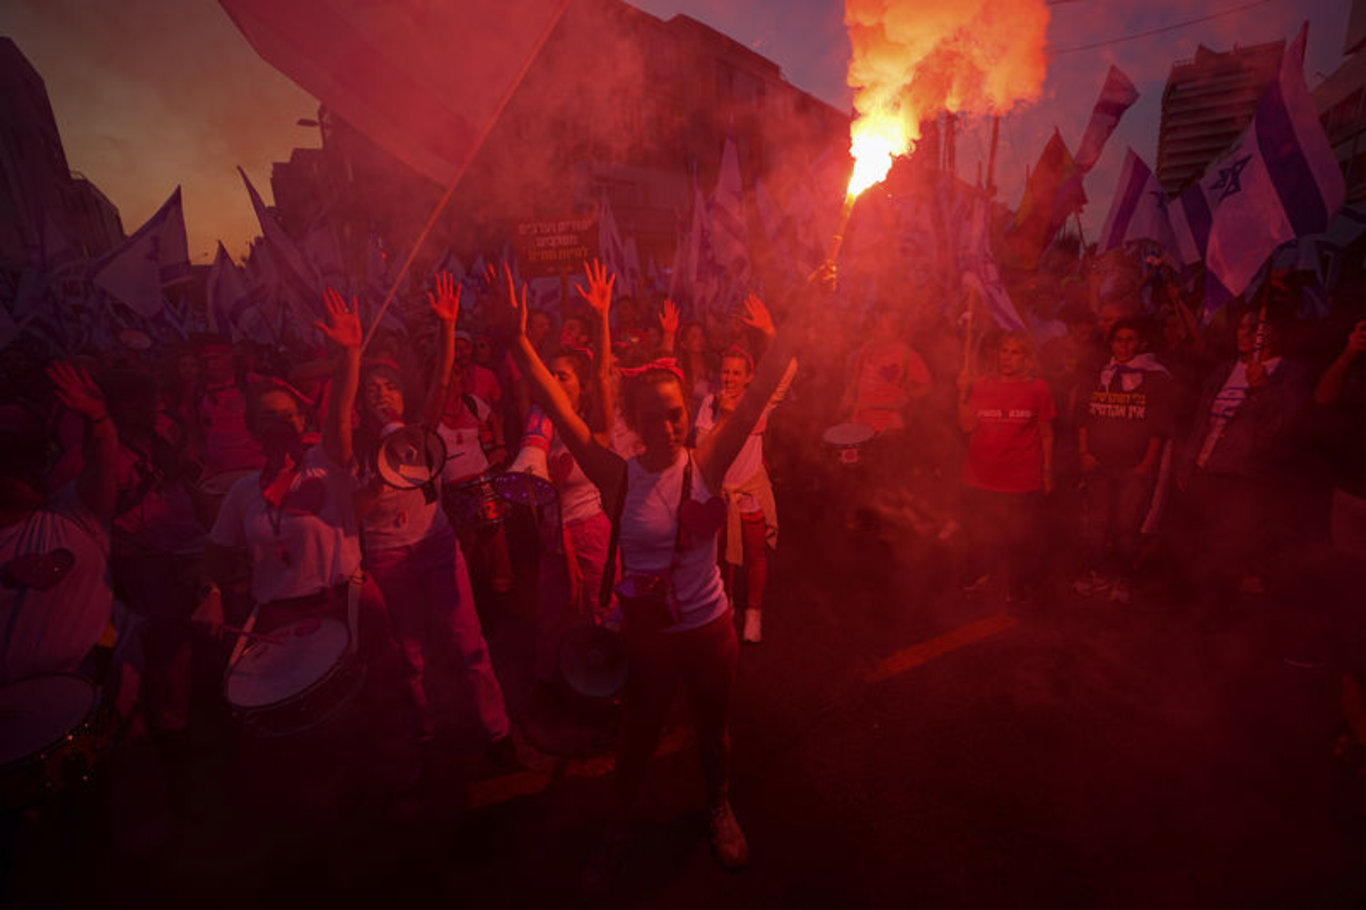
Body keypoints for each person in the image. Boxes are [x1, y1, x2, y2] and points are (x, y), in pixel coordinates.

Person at [497, 261, 816, 876]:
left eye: (675, 413)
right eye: (653, 417)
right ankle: (619, 827)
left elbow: (763, 386)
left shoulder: (707, 460)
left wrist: (798, 311)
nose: (668, 425)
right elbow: (559, 408)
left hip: (710, 630)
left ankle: (719, 807)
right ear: (634, 424)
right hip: (646, 638)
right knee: (637, 739)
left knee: (714, 733)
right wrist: (515, 342)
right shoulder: (617, 474)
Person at [199, 291, 417, 814]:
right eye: (269, 419)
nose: (283, 425)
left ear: (303, 422)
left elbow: (341, 412)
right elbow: (214, 556)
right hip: (278, 620)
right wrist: (208, 591)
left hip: (347, 603)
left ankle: (401, 797)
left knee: (381, 703)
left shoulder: (328, 463)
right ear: (252, 431)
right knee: (304, 729)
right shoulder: (241, 494)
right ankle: (321, 815)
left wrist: (348, 356)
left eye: (291, 416)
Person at [353, 273, 511, 758]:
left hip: (437, 546)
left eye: (390, 387)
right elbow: (354, 513)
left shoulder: (422, 428)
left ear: (405, 395)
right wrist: (379, 477)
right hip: (386, 554)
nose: (381, 394)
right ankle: (425, 730)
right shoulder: (351, 451)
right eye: (372, 389)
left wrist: (447, 327)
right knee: (411, 652)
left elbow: (443, 379)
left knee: (469, 641)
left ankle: (497, 730)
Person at [508, 261, 617, 693]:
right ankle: (559, 688)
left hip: (591, 536)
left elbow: (605, 376)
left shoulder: (594, 432)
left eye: (564, 376)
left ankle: (604, 685)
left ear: (580, 386)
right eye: (550, 376)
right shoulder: (538, 430)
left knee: (597, 612)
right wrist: (514, 337)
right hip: (554, 541)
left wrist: (602, 318)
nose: (554, 382)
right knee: (555, 613)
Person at [1175, 308, 1313, 597]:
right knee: (1201, 540)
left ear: (1273, 335)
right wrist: (1188, 462)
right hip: (1208, 468)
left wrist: (1263, 389)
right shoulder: (1226, 370)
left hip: (1245, 476)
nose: (1244, 334)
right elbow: (1203, 420)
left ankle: (1222, 609)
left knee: (1232, 545)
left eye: (1253, 329)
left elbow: (1280, 428)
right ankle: (1194, 604)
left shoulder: (1288, 373)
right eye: (1241, 328)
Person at [0, 363, 116, 684]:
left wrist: (98, 419)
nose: (34, 472)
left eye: (37, 459)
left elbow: (102, 465)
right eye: (16, 465)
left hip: (84, 691)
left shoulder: (73, 515)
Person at [693, 296, 792, 645]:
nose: (730, 378)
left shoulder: (758, 402)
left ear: (750, 378)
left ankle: (754, 613)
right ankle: (727, 607)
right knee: (722, 559)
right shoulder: (709, 404)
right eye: (725, 372)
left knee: (754, 555)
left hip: (750, 493)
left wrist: (768, 330)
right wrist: (723, 416)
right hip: (721, 496)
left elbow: (787, 369)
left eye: (737, 373)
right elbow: (703, 455)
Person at [1072, 319, 1175, 604]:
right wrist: (1084, 453)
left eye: (1131, 339)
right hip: (1098, 463)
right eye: (1119, 339)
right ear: (1111, 343)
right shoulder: (1100, 375)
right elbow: (1083, 418)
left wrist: (1146, 465)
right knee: (1097, 523)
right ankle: (1095, 573)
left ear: (1141, 343)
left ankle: (1123, 577)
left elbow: (1159, 428)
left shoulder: (1156, 378)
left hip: (1133, 465)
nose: (1124, 345)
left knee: (1126, 525)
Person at [957, 331, 1057, 603]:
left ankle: (1018, 586)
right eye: (1004, 351)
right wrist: (962, 395)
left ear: (1026, 358)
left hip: (1020, 476)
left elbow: (1046, 433)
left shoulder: (1038, 388)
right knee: (979, 531)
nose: (1007, 358)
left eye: (1015, 352)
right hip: (980, 474)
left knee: (1019, 535)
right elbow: (967, 426)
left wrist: (1047, 472)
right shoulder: (980, 384)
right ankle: (979, 573)